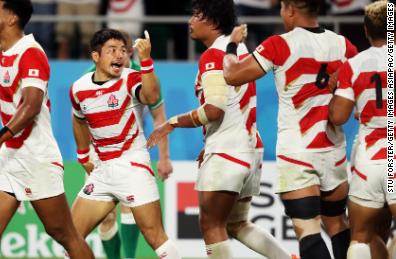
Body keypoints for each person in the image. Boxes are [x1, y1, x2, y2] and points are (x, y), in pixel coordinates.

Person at [147, 1, 291, 258]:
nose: (190, 21)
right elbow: (232, 107)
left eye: (196, 15)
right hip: (249, 150)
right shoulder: (238, 50)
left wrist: (171, 123)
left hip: (228, 151)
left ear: (212, 20)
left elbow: (214, 109)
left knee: (211, 225)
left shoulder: (214, 55)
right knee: (236, 224)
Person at [0, 0, 95, 258]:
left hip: (37, 158)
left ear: (11, 19)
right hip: (9, 156)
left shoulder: (31, 53)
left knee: (63, 234)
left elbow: (31, 107)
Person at [222, 0, 358, 258]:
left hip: (298, 150)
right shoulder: (344, 45)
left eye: (282, 8)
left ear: (291, 9)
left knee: (307, 230)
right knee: (339, 225)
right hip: (334, 151)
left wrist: (232, 45)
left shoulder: (279, 44)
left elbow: (233, 74)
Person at [68, 28, 181, 259]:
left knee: (157, 239)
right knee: (70, 238)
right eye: (112, 50)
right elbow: (78, 120)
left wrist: (147, 60)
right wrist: (82, 156)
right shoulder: (79, 88)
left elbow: (151, 98)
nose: (119, 55)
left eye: (122, 50)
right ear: (96, 56)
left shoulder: (131, 77)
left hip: (132, 166)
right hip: (101, 169)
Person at [328, 1, 390, 258]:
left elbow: (339, 116)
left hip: (370, 159)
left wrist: (335, 89)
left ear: (365, 31)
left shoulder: (354, 65)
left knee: (362, 237)